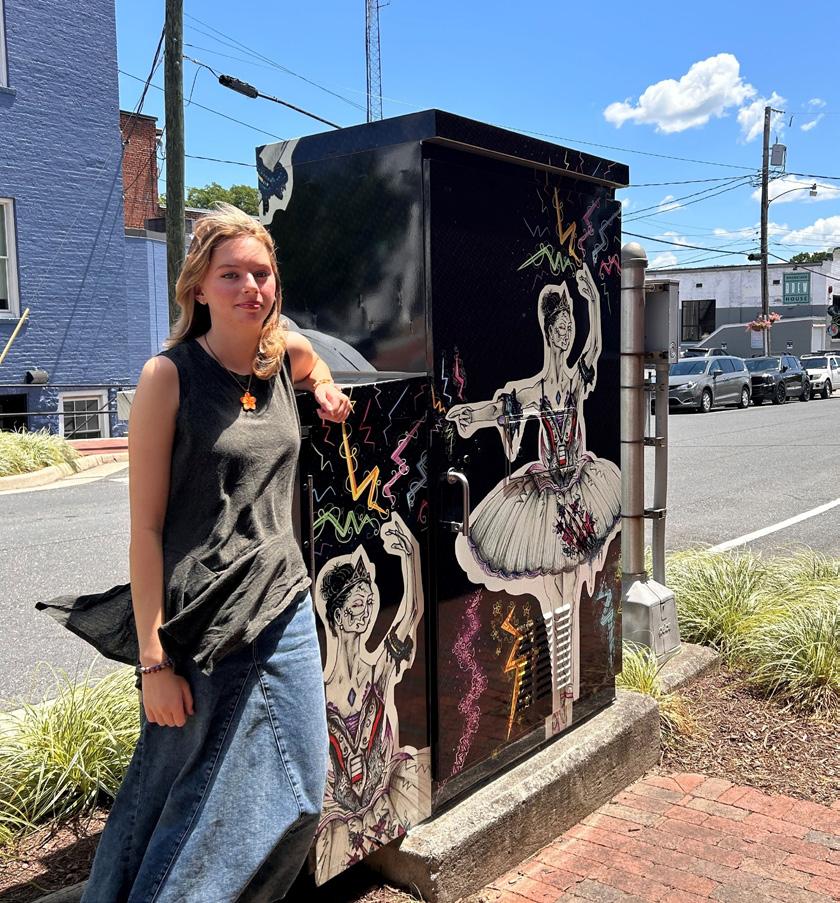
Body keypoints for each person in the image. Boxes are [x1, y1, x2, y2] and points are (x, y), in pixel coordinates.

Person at [39, 203, 351, 902]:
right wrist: (153, 662)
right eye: (231, 273)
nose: (250, 287)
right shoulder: (168, 377)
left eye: (261, 273)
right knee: (181, 793)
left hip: (284, 602)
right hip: (202, 619)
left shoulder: (282, 356)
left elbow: (314, 363)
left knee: (301, 793)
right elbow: (146, 530)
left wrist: (326, 387)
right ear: (199, 287)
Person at [445, 265, 620, 717]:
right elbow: (498, 407)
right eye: (559, 327)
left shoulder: (576, 379)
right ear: (547, 331)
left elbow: (596, 347)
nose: (566, 334)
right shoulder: (534, 389)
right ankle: (562, 693)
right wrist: (471, 416)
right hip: (547, 495)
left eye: (569, 326)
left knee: (569, 587)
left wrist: (593, 301)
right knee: (558, 591)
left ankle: (568, 689)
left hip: (578, 489)